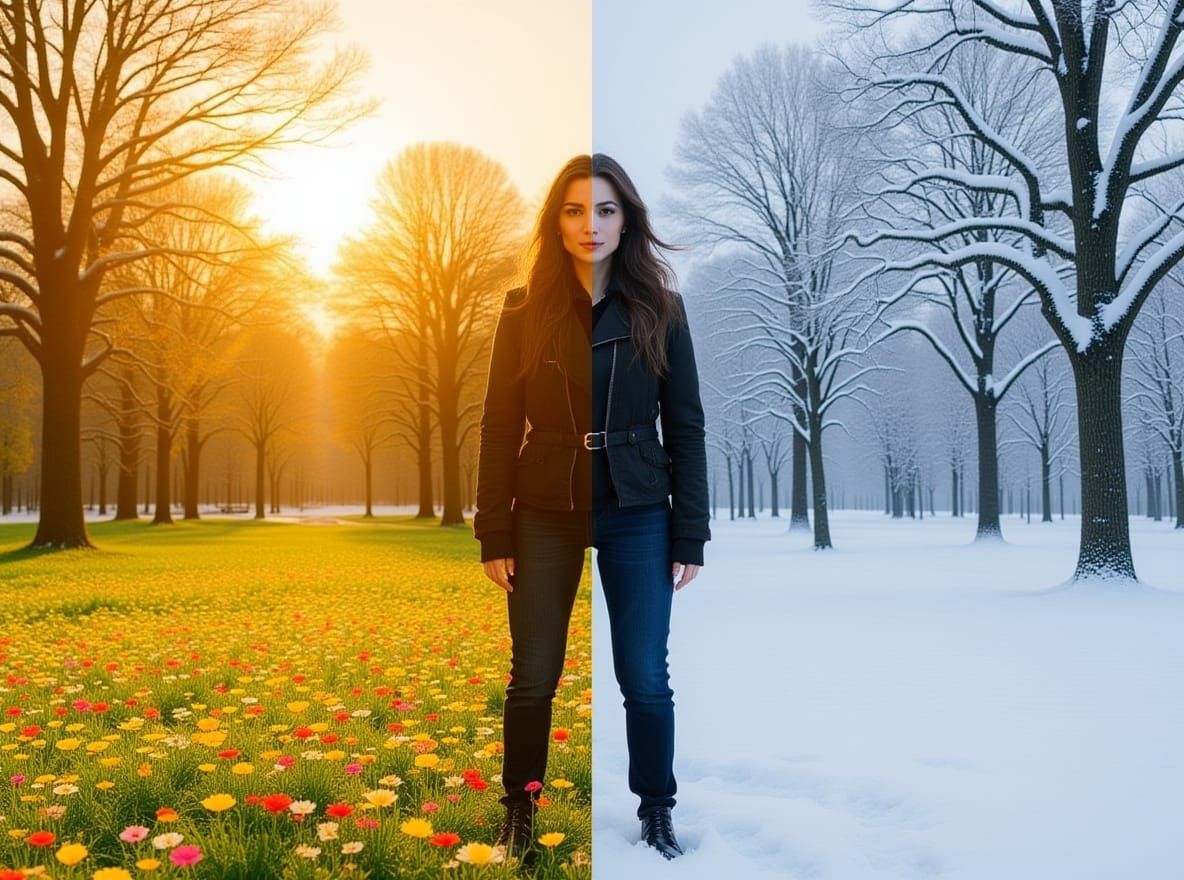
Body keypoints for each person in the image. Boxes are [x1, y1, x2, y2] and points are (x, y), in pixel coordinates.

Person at [474, 153, 710, 862]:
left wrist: (690, 532)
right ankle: (519, 806)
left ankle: (657, 808)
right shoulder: (522, 309)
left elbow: (688, 423)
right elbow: (495, 424)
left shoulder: (661, 308)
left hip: (640, 507)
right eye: (574, 210)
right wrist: (493, 529)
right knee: (534, 671)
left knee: (644, 675)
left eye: (605, 209)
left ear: (626, 218)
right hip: (542, 507)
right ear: (556, 221)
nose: (590, 224)